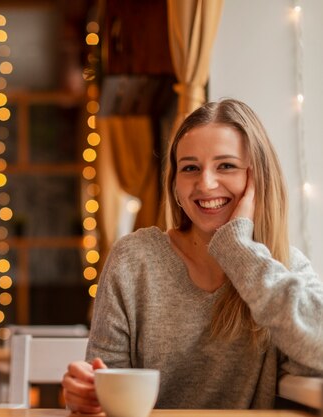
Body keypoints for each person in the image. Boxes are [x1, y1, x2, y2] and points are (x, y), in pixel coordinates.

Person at [62, 99, 323, 412]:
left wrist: (239, 251)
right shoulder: (134, 260)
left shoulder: (282, 268)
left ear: (258, 179)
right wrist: (88, 396)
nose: (206, 183)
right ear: (175, 184)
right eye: (190, 168)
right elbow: (104, 387)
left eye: (226, 166)